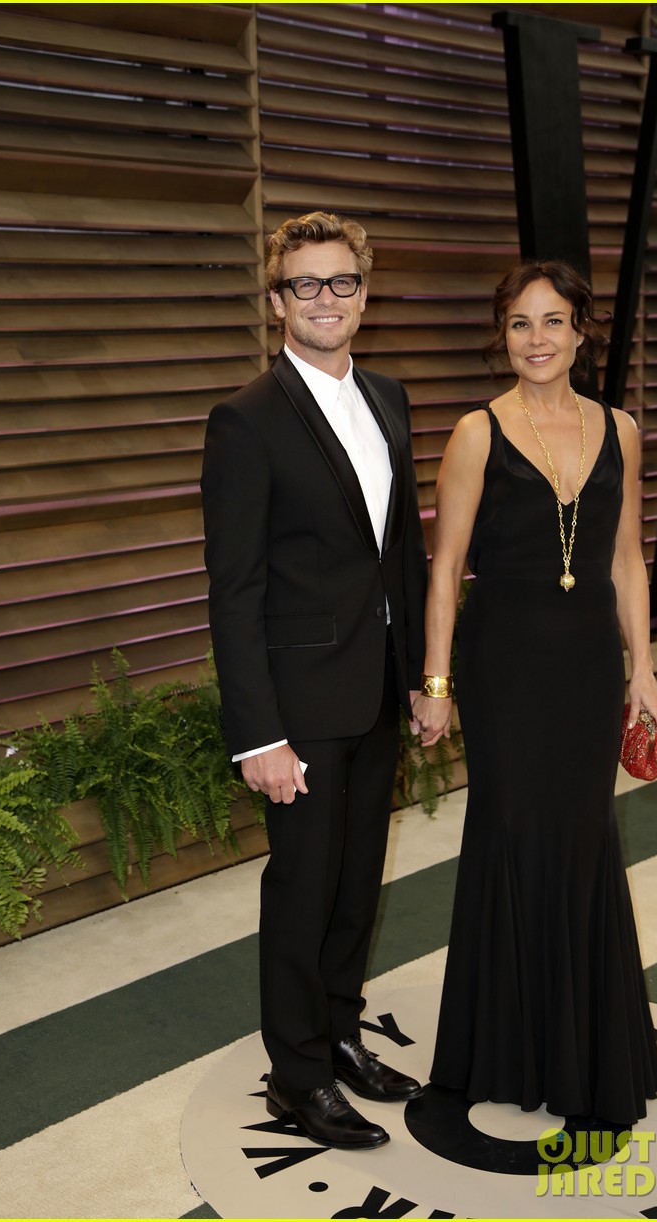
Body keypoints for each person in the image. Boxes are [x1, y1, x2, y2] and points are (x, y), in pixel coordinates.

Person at [412, 260, 657, 1126]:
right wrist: (437, 684)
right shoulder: (476, 431)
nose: (536, 339)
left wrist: (642, 667)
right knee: (510, 833)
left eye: (552, 322)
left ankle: (585, 1045)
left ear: (580, 332)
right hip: (504, 668)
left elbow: (624, 557)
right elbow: (444, 569)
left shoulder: (621, 428)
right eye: (519, 324)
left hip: (590, 665)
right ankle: (505, 1045)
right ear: (502, 336)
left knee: (586, 834)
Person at [201, 211, 430, 1149]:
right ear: (276, 300)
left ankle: (338, 1035)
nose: (324, 299)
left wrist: (424, 676)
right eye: (305, 285)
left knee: (356, 883)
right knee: (302, 888)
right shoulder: (245, 420)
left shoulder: (388, 396)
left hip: (376, 688)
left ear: (363, 295)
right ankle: (296, 1076)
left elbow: (401, 554)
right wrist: (258, 734)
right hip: (297, 706)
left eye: (340, 283)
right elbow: (234, 586)